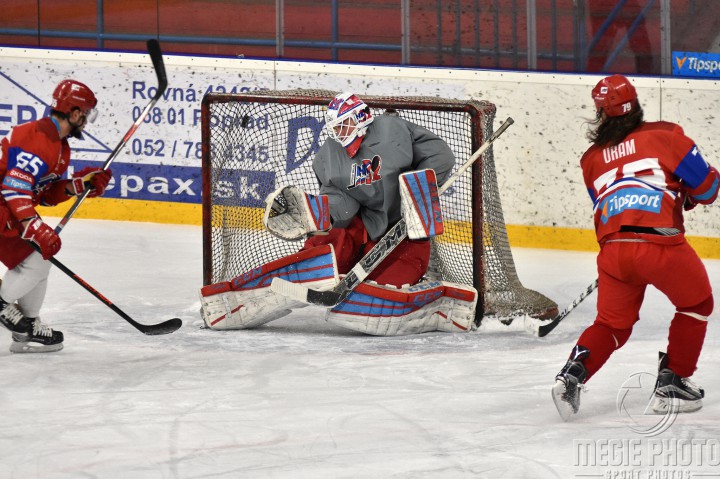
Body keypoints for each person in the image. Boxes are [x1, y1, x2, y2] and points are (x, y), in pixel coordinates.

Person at [200, 92, 478, 335]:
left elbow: (441, 156)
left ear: (362, 117)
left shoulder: (393, 130)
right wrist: (316, 213)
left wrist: (419, 189)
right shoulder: (329, 155)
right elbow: (342, 202)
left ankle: (431, 305)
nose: (340, 133)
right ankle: (301, 270)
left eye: (344, 124)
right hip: (363, 228)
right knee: (331, 238)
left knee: (390, 281)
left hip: (404, 234)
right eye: (335, 127)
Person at [552, 74, 719, 420]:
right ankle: (673, 383)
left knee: (612, 324)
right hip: (660, 243)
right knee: (696, 303)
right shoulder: (666, 135)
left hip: (613, 250)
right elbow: (707, 190)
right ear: (636, 106)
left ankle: (572, 375)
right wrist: (686, 193)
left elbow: (609, 205)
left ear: (600, 114)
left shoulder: (591, 160)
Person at [0, 79, 113, 353]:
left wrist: (79, 185)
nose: (86, 121)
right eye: (85, 114)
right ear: (74, 113)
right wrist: (32, 225)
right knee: (36, 259)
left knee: (40, 259)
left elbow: (43, 194)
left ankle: (27, 329)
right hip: (5, 205)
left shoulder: (58, 144)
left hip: (7, 206)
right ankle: (4, 307)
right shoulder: (38, 138)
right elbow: (14, 188)